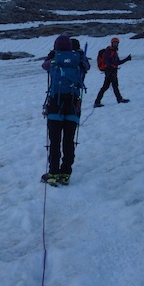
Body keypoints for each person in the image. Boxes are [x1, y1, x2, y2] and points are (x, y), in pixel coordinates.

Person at [41, 35, 83, 186]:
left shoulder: (54, 60)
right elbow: (87, 68)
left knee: (55, 140)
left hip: (55, 104)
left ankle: (53, 173)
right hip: (73, 104)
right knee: (69, 141)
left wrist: (52, 55)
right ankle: (65, 174)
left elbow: (44, 66)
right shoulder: (78, 60)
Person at [94, 37, 132, 107]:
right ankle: (118, 99)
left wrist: (126, 59)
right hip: (110, 71)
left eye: (116, 43)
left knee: (108, 86)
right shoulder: (109, 51)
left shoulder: (113, 51)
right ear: (112, 43)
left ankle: (98, 101)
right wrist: (126, 59)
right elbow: (111, 62)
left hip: (111, 71)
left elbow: (116, 62)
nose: (115, 44)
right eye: (114, 43)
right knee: (111, 86)